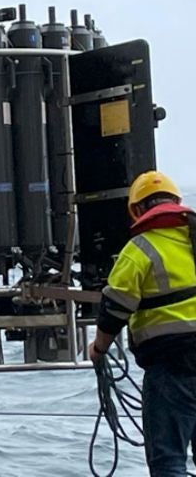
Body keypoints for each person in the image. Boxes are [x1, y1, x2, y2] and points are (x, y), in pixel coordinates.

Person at [89, 170, 196, 477]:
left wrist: (99, 349)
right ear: (177, 202)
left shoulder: (140, 249)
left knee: (168, 462)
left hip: (173, 367)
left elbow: (115, 308)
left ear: (136, 211)